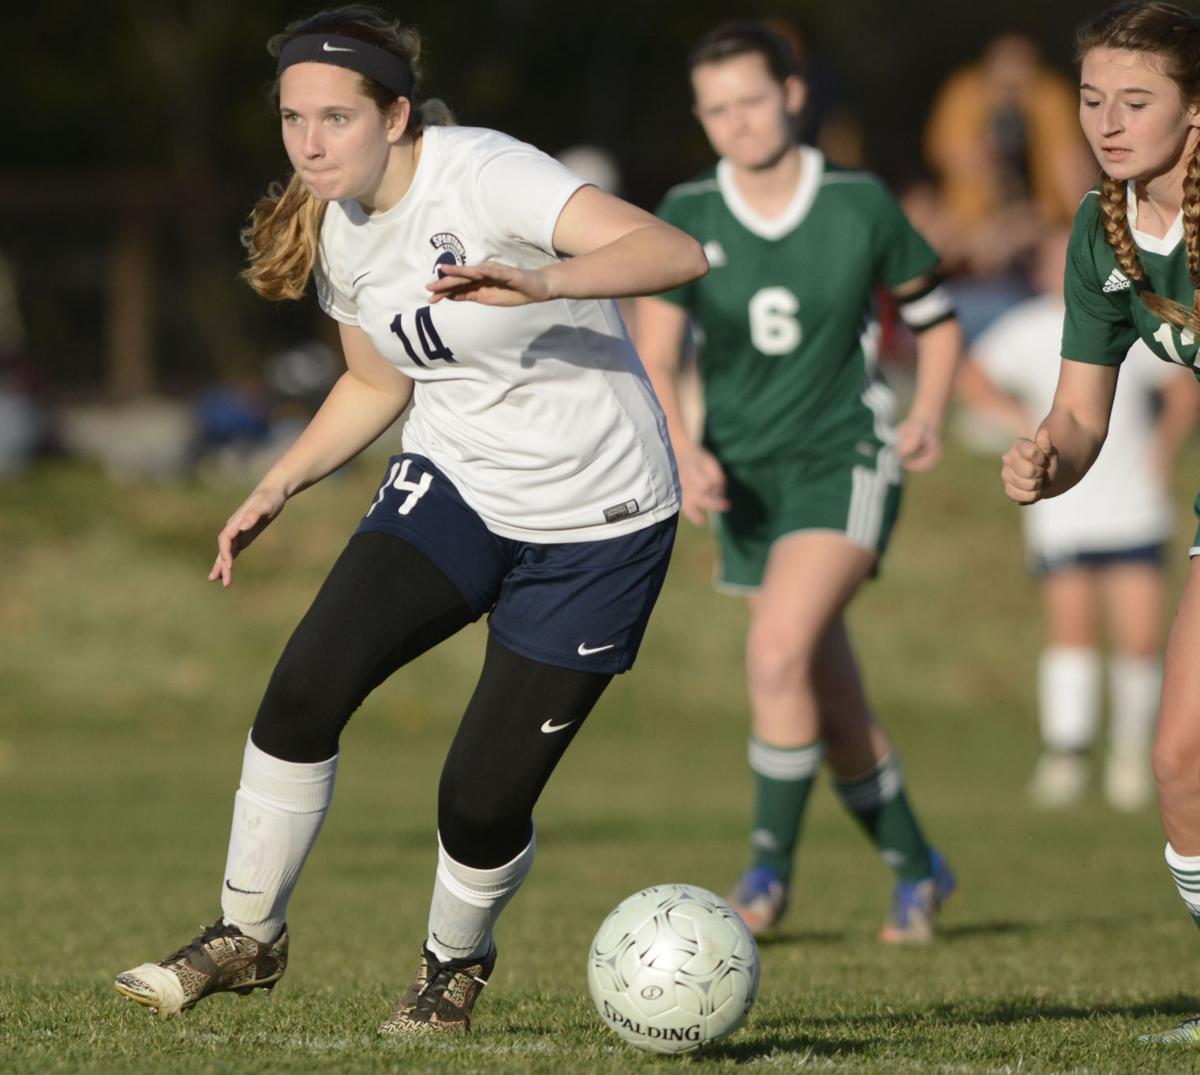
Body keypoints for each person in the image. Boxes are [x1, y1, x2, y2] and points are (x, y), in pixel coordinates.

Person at [113, 3, 706, 1035]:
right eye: (294, 119)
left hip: (598, 521)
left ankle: (452, 966)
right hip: (459, 484)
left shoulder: (484, 173)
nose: (309, 142)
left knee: (477, 801)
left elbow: (676, 252)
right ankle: (247, 932)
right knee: (303, 688)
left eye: (334, 118)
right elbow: (375, 384)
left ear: (395, 115)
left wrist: (541, 280)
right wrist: (279, 481)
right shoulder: (343, 229)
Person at [636, 21, 962, 943]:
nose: (736, 121)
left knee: (776, 653)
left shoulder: (858, 203)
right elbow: (657, 358)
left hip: (844, 459)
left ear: (792, 93)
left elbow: (936, 320)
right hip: (743, 478)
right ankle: (919, 868)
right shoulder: (688, 212)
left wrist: (928, 410)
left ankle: (766, 875)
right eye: (716, 109)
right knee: (828, 693)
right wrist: (686, 448)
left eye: (751, 98)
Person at [999, 0, 1200, 1043]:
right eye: (1090, 99)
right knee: (1178, 762)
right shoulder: (1102, 228)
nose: (1107, 121)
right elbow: (1080, 414)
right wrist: (1045, 461)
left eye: (1137, 100)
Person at [964, 228, 1198, 811]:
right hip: (1065, 506)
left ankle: (1130, 754)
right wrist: (1019, 422)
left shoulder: (1137, 314)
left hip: (1132, 502)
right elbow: (971, 376)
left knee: (1142, 637)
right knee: (1071, 631)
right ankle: (1066, 754)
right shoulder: (1027, 329)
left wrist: (1162, 451)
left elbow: (1180, 390)